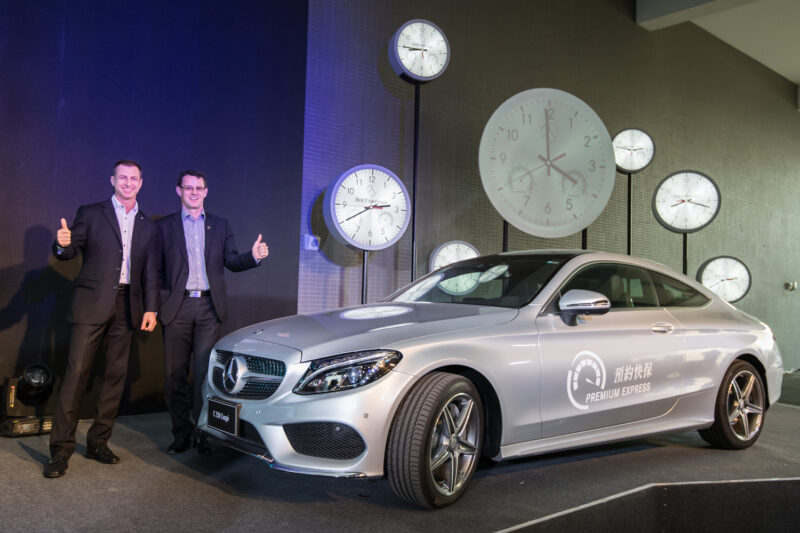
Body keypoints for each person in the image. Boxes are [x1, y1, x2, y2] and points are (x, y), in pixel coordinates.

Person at [44, 159, 160, 478]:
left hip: (128, 306)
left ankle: (98, 442)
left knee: (114, 377)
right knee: (76, 375)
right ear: (112, 180)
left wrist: (151, 308)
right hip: (91, 304)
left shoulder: (148, 225)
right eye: (122, 177)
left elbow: (151, 272)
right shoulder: (92, 213)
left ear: (141, 183)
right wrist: (62, 244)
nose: (128, 183)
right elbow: (70, 251)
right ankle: (60, 451)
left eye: (133, 178)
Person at [158, 170, 268, 455]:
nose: (194, 192)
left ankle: (203, 433)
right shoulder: (165, 227)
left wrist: (253, 257)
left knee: (205, 376)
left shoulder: (220, 225)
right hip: (177, 308)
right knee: (174, 377)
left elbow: (232, 262)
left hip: (209, 308)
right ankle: (181, 433)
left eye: (199, 188)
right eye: (188, 188)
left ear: (206, 192)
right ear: (179, 191)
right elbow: (154, 270)